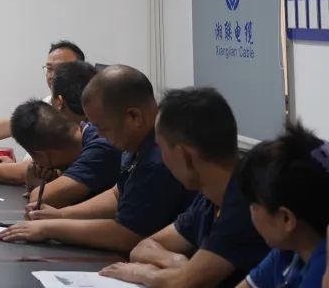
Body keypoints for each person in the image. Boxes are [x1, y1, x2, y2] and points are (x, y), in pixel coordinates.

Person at [0, 65, 193, 253]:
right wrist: (62, 215)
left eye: (103, 127)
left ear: (133, 116)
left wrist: (51, 229)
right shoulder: (137, 142)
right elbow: (117, 194)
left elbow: (127, 235)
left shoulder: (161, 156)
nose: (99, 134)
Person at [100, 87, 269, 287]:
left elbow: (183, 283)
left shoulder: (245, 203)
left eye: (161, 148)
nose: (161, 158)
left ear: (184, 155)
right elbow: (142, 248)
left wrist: (144, 273)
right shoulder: (209, 198)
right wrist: (177, 261)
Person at [0, 62, 104, 198]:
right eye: (48, 68)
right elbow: (12, 127)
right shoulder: (78, 129)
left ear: (59, 102)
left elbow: (37, 191)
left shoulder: (98, 145)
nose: (50, 76)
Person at [235, 122, 327, 288]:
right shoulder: (289, 250)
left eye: (253, 204)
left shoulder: (321, 275)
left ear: (286, 219)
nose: (250, 212)